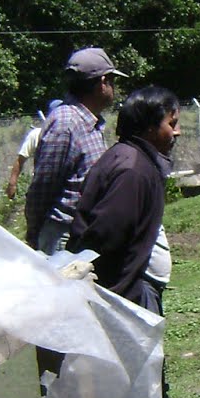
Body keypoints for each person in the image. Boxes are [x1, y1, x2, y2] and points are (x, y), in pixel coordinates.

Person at [68, 84, 180, 313]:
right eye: (171, 124)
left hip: (128, 290)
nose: (177, 132)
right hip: (126, 295)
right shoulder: (132, 171)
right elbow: (106, 237)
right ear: (149, 127)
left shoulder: (133, 160)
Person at [26, 48, 126, 254]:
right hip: (63, 238)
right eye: (112, 82)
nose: (114, 88)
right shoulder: (66, 123)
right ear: (102, 82)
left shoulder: (89, 121)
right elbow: (43, 187)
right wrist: (35, 232)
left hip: (82, 233)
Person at [5, 100, 60, 201]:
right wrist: (12, 184)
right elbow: (20, 160)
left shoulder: (73, 134)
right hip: (41, 188)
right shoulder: (36, 135)